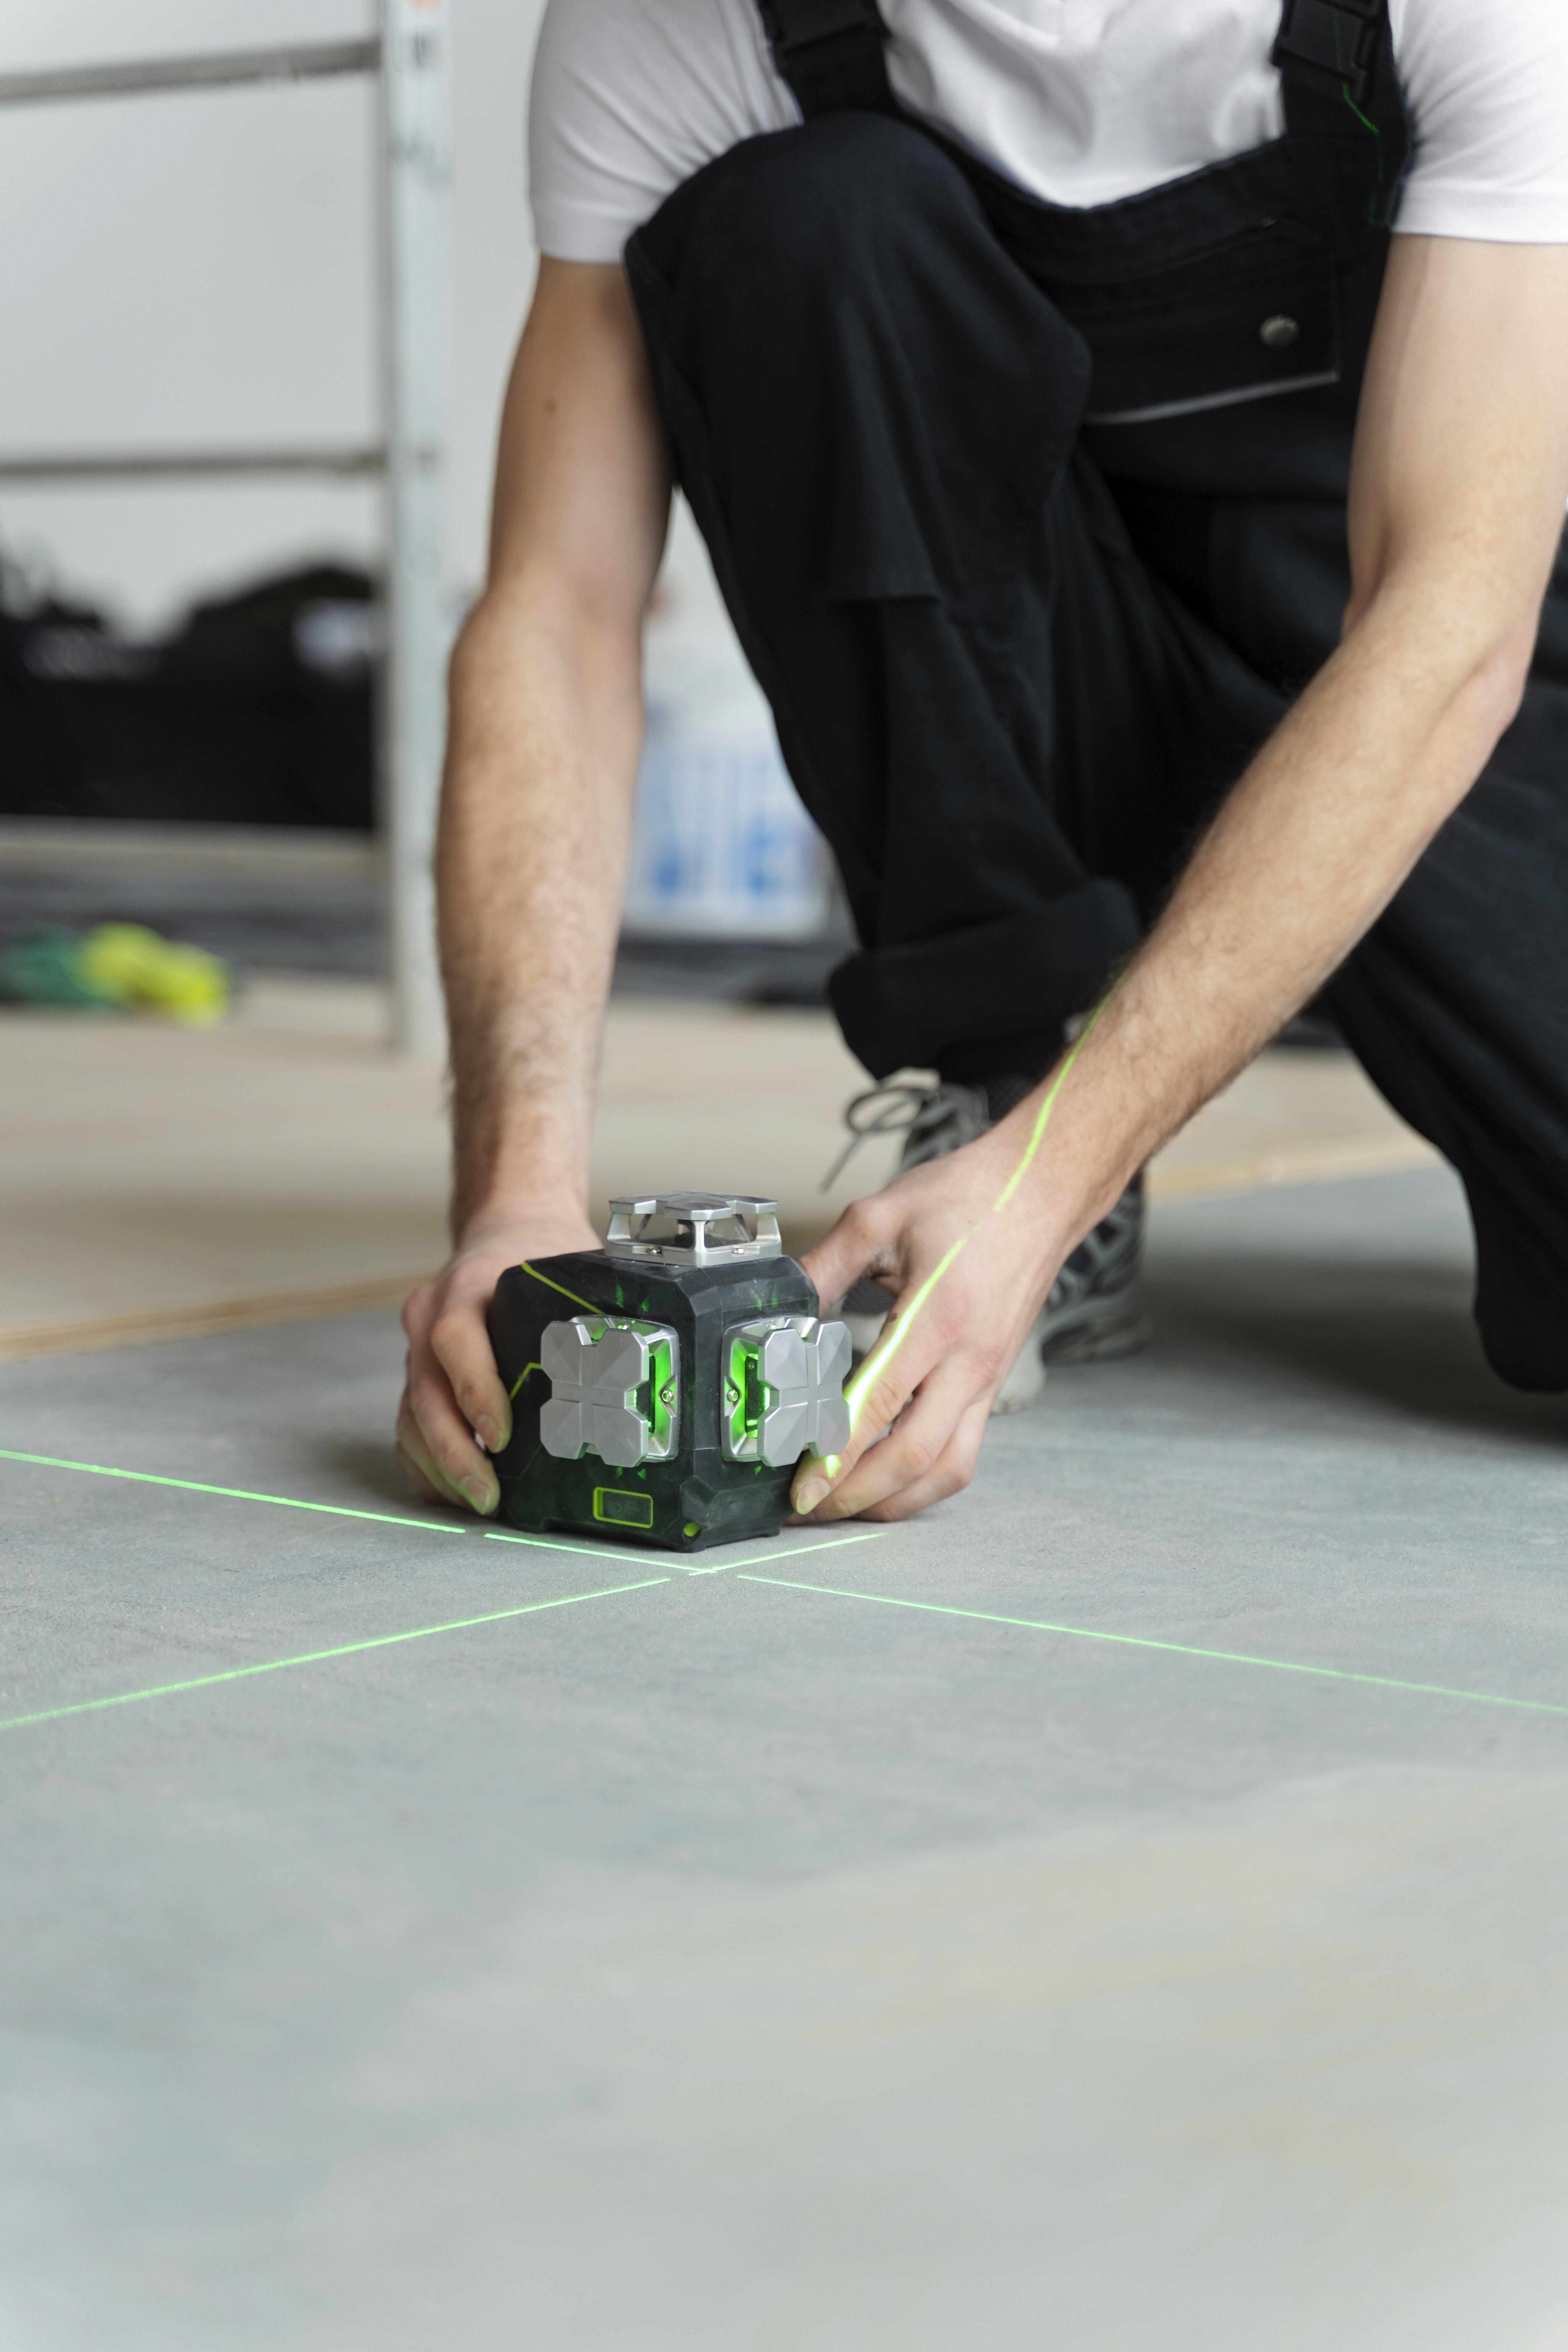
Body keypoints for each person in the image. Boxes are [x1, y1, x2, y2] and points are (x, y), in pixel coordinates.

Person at [396, 0, 1568, 1529]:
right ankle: (1008, 1062)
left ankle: (1041, 1166)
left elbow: (1445, 632)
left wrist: (1047, 1174)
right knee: (805, 222)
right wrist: (516, 1198)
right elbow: (557, 613)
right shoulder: (672, 26)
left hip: (1426, 710)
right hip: (1070, 704)